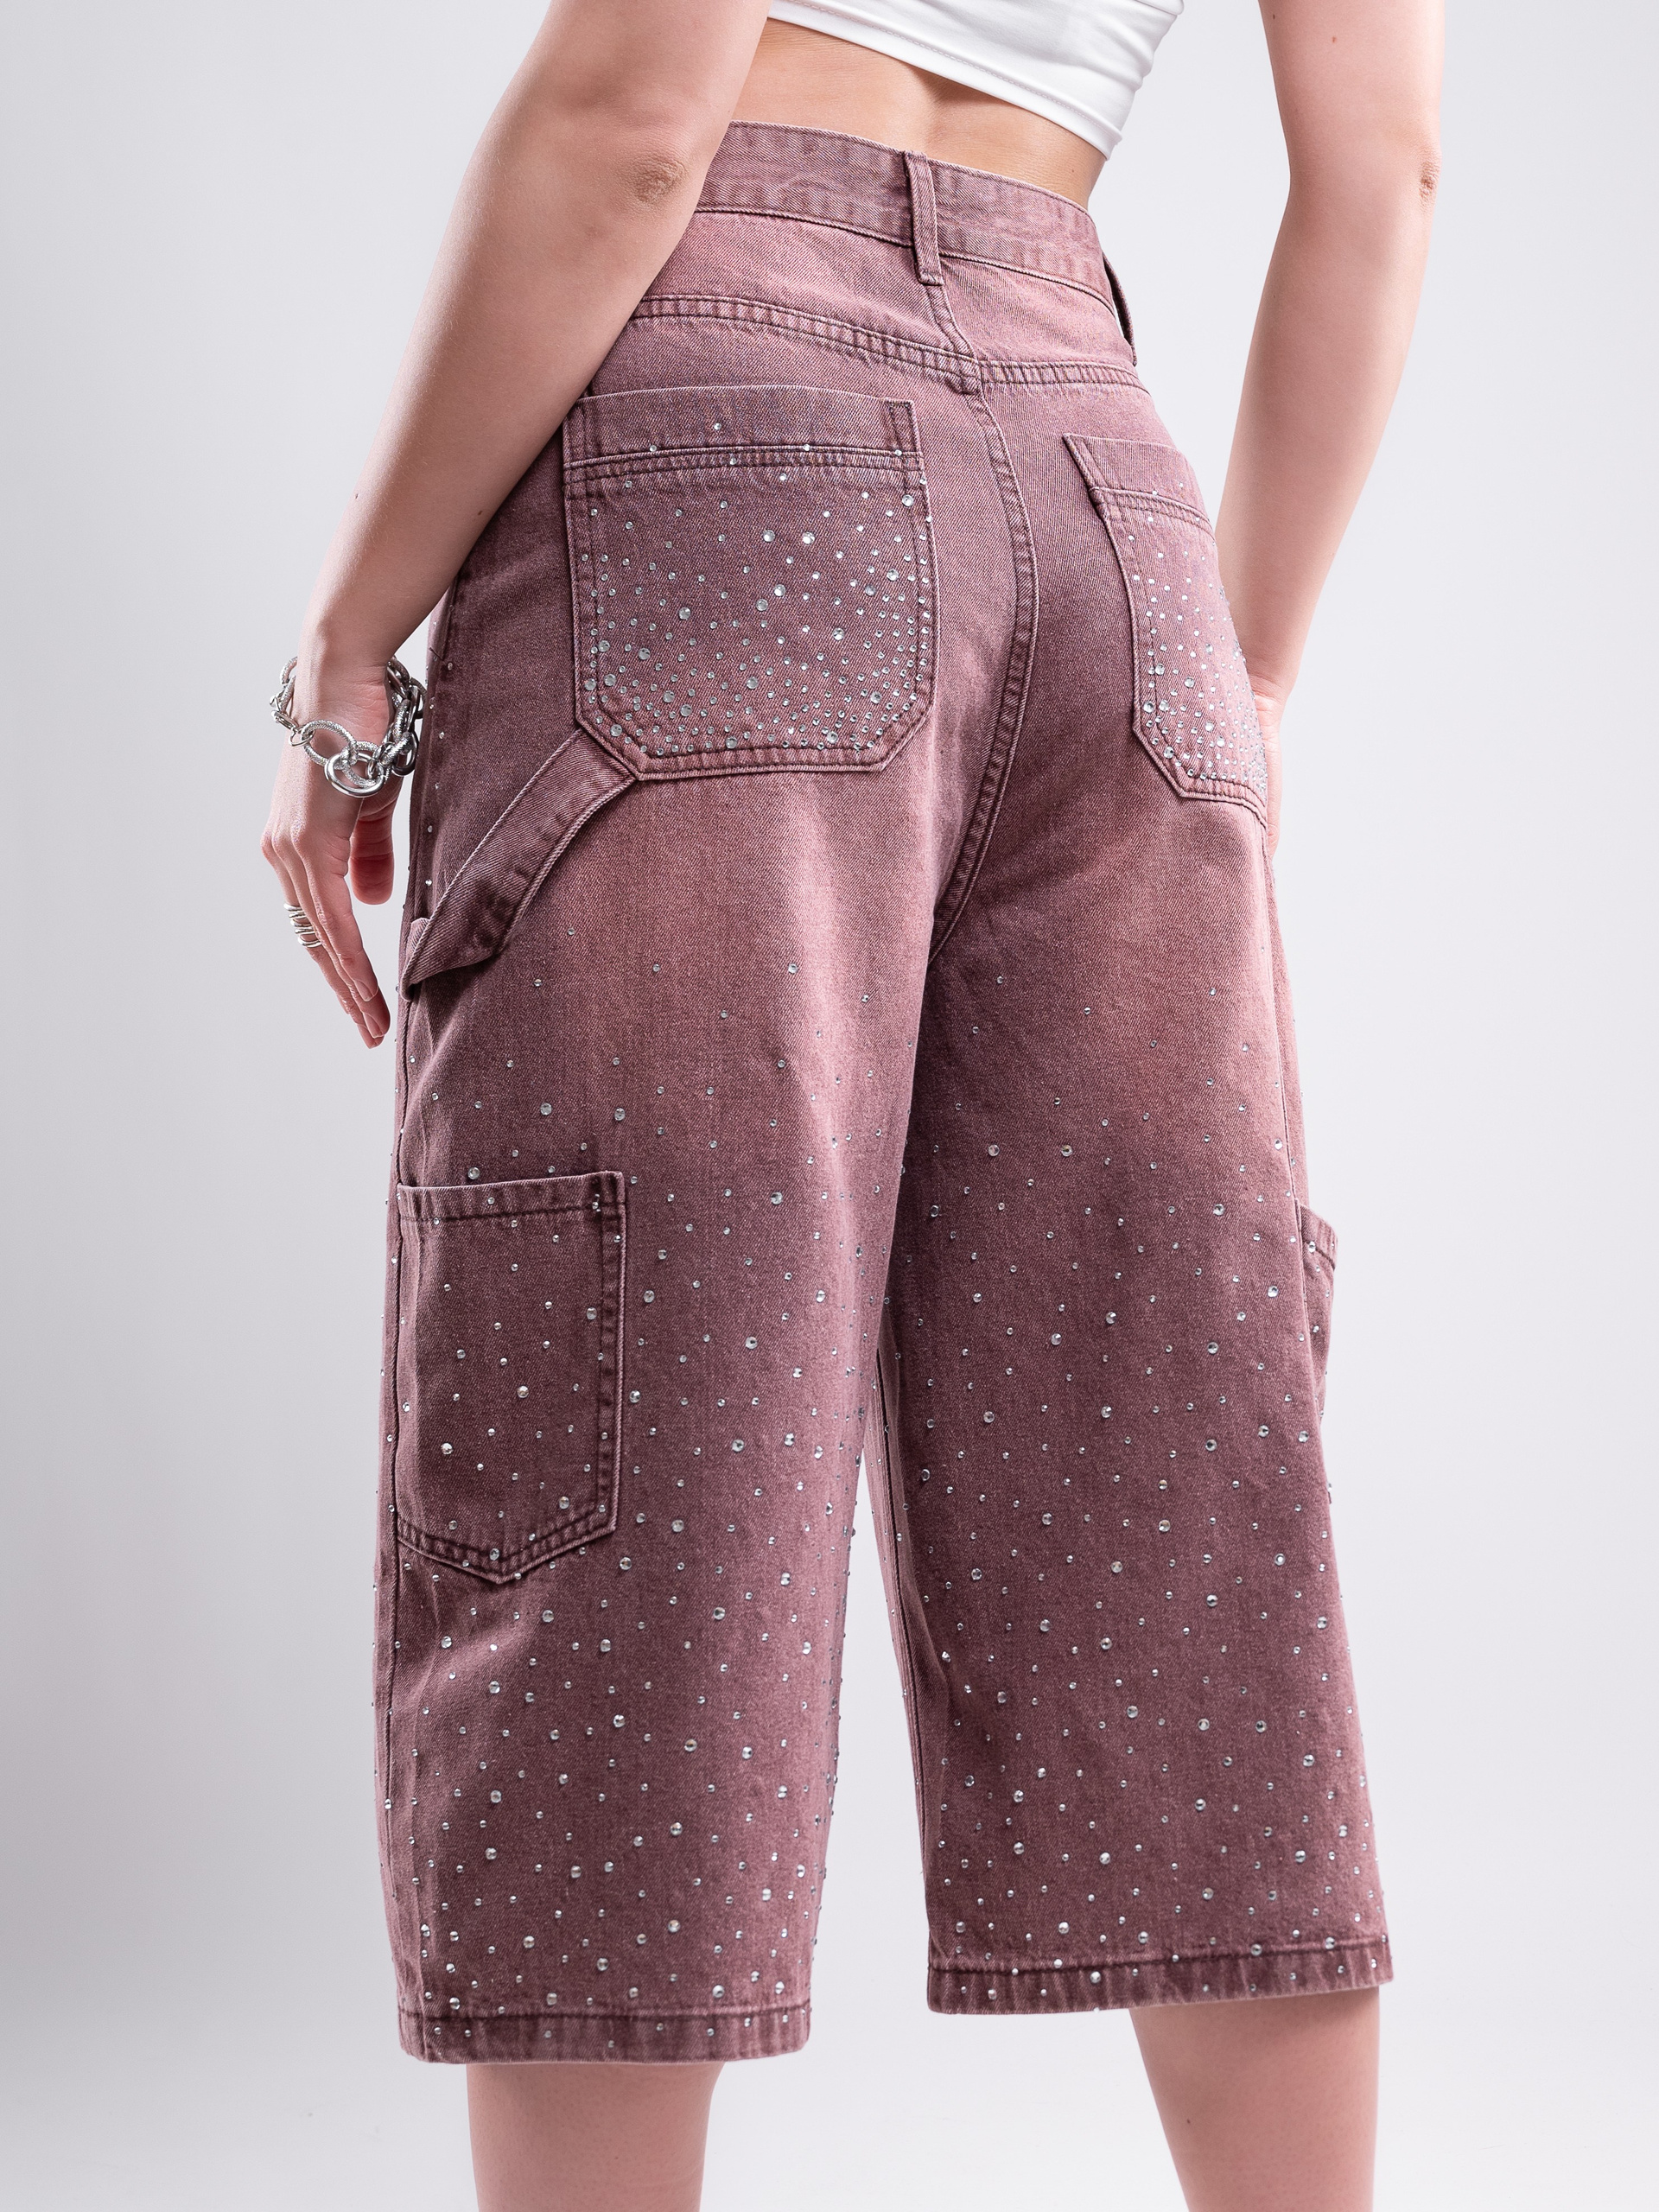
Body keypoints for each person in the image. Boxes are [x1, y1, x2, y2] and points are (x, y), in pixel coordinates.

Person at [261, 4, 1441, 2206]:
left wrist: (346, 650)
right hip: (1107, 496)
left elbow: (632, 117)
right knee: (1191, 1508)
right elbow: (1385, 176)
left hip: (717, 440)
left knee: (634, 1478)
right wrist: (1248, 668)